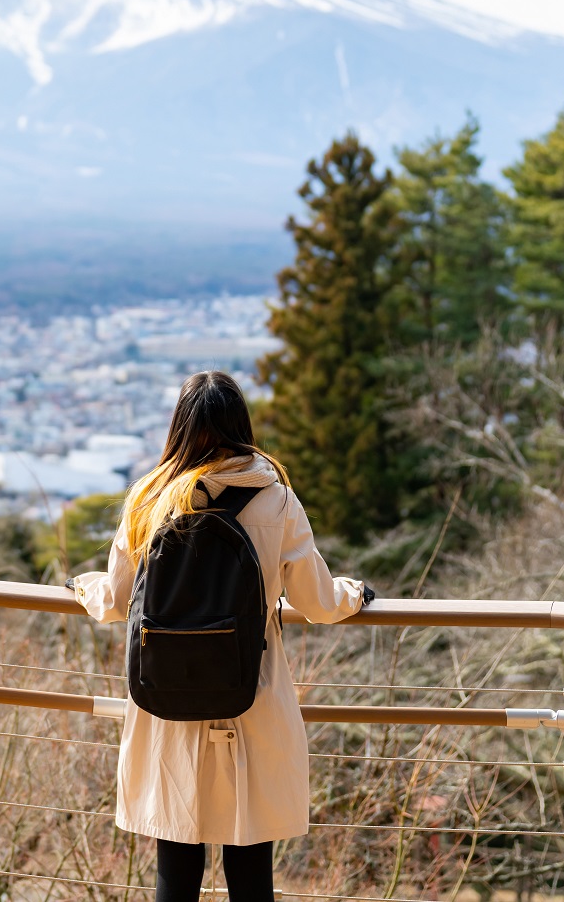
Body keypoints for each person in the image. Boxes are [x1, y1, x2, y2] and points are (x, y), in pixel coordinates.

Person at [67, 369, 372, 902]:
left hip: (169, 696)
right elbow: (319, 602)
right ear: (241, 424)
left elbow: (116, 601)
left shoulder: (151, 498)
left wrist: (83, 587)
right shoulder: (274, 498)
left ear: (178, 428)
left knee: (176, 864)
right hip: (249, 693)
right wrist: (355, 594)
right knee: (251, 866)